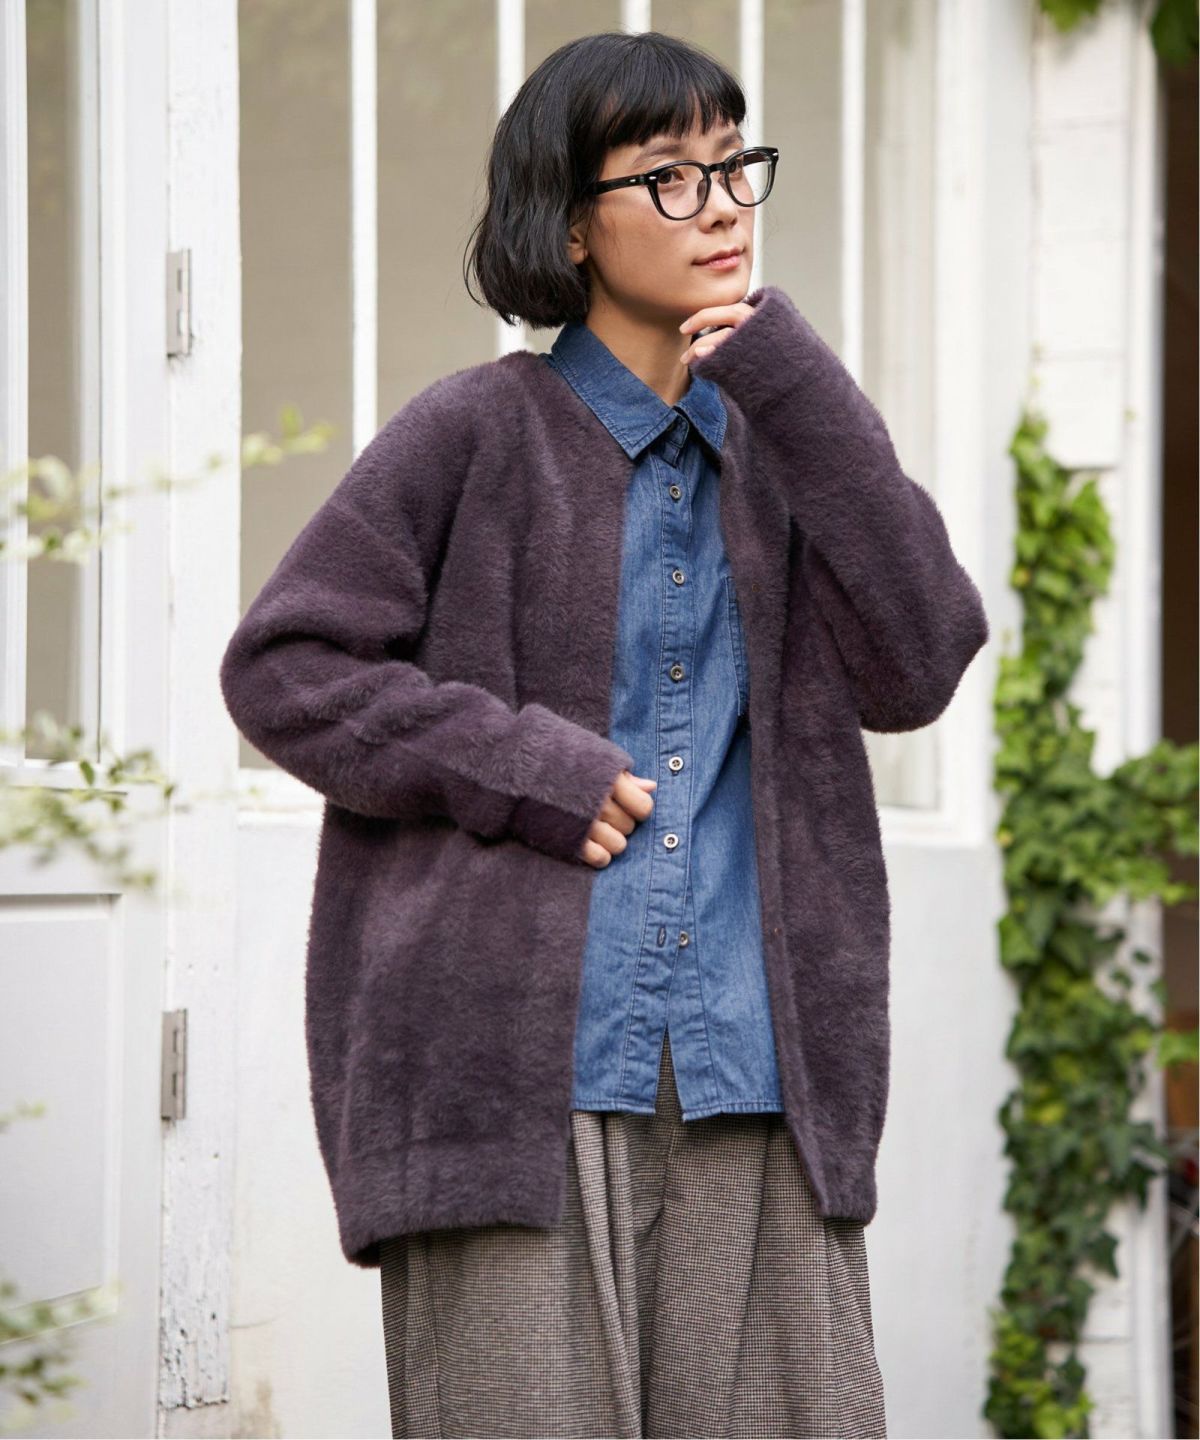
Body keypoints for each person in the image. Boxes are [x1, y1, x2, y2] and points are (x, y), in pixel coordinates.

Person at [221, 25, 988, 1440]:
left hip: (759, 1075)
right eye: (668, 175)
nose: (722, 205)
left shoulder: (789, 454)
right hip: (513, 1082)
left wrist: (796, 386)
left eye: (735, 167)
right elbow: (287, 666)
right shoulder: (472, 433)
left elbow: (924, 658)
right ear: (571, 225)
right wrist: (526, 767)